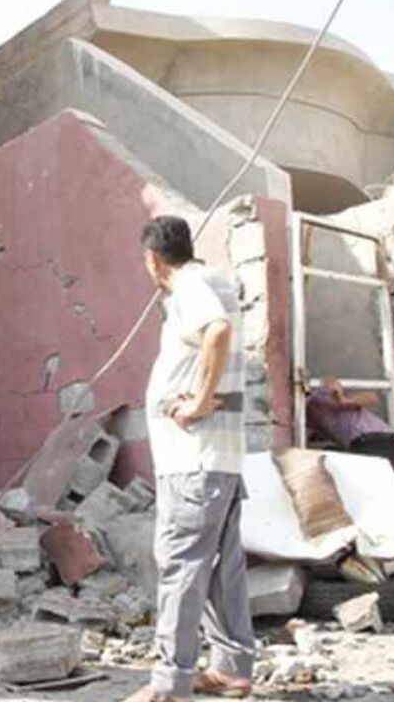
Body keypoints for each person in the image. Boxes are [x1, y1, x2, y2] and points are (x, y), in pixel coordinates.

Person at [126, 215, 255, 702]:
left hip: (194, 459)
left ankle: (170, 684)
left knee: (180, 565)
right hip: (215, 459)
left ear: (153, 259)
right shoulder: (214, 280)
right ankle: (232, 668)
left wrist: (198, 402)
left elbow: (216, 332)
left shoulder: (190, 286)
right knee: (222, 567)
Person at [306, 377, 394, 473]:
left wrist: (344, 400)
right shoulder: (309, 417)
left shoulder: (320, 398)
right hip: (362, 447)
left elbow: (373, 398)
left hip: (378, 442)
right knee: (329, 459)